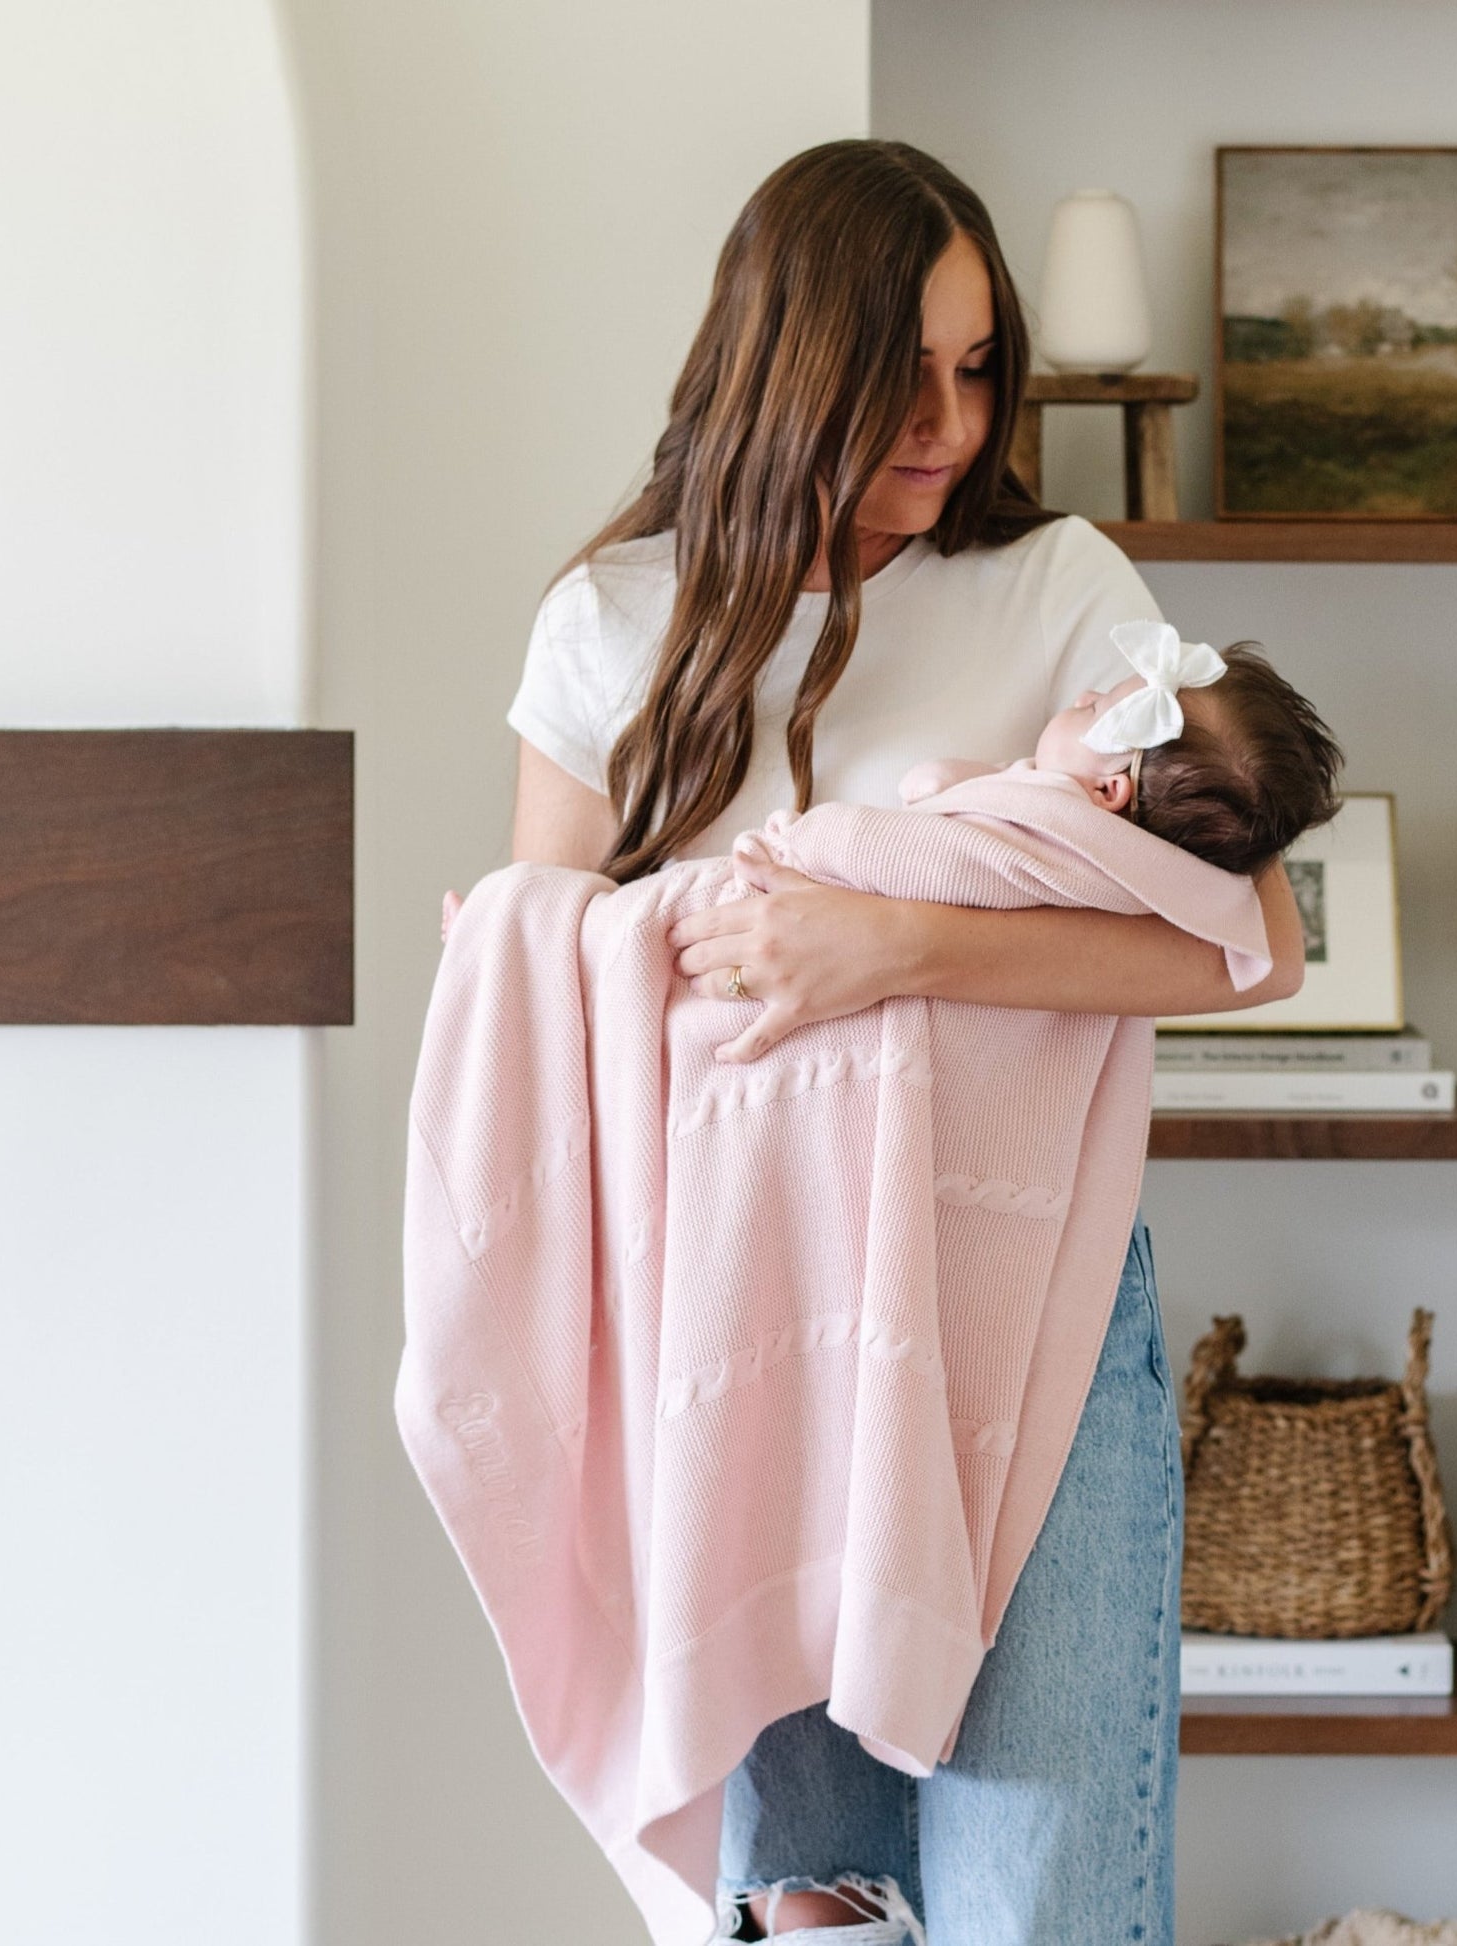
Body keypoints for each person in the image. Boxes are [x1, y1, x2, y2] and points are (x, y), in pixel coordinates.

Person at [506, 138, 1304, 1946]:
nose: (947, 423)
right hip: (744, 1329)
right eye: (900, 375)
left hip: (1023, 1318)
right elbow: (530, 990)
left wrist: (892, 941)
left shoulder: (1056, 587)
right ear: (787, 360)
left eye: (975, 367)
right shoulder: (610, 626)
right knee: (811, 1901)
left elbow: (1250, 944)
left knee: (1051, 1898)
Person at [899, 623, 1343, 875]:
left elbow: (928, 786)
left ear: (1108, 792)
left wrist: (945, 783)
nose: (1083, 695)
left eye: (1095, 710)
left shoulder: (1040, 821)